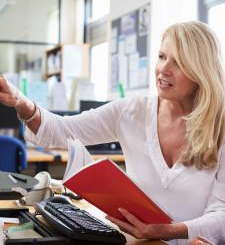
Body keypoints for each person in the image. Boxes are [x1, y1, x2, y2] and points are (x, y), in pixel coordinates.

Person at [0, 21, 225, 245]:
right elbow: (62, 131)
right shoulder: (131, 111)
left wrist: (169, 231)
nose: (163, 69)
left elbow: (221, 212)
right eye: (162, 56)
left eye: (179, 62)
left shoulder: (220, 126)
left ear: (200, 70)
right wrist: (22, 102)